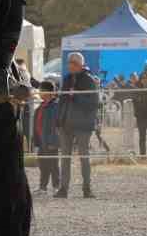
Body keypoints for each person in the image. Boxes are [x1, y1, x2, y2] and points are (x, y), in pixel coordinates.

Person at [56, 52, 100, 198]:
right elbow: (62, 100)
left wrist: (76, 96)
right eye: (69, 63)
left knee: (84, 158)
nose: (70, 65)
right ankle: (63, 189)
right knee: (65, 158)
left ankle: (87, 189)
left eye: (73, 63)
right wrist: (58, 120)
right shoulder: (67, 79)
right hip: (65, 124)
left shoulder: (89, 80)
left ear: (81, 64)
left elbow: (94, 103)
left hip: (82, 126)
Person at [32, 80, 63, 194]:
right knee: (43, 165)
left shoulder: (55, 106)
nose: (39, 93)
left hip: (50, 142)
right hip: (41, 141)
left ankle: (56, 186)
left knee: (53, 165)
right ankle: (42, 187)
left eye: (41, 91)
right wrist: (36, 142)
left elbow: (56, 125)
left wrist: (53, 141)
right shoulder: (40, 107)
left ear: (48, 92)